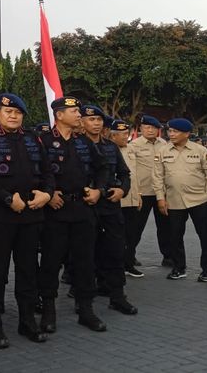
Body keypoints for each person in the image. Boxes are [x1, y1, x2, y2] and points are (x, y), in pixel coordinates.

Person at [0, 93, 53, 349]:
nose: (13, 116)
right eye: (8, 112)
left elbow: (48, 172)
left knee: (29, 270)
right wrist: (7, 199)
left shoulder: (33, 139)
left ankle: (27, 320)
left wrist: (47, 193)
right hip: (1, 217)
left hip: (32, 215)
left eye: (18, 113)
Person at [38, 96, 109, 334]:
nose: (79, 115)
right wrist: (49, 193)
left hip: (83, 209)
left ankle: (86, 308)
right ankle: (48, 309)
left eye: (79, 111)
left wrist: (99, 190)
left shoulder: (84, 142)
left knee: (85, 261)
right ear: (59, 115)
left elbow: (103, 168)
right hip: (55, 211)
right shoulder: (43, 141)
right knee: (50, 262)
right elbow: (34, 171)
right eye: (74, 111)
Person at [80, 106, 137, 316]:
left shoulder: (111, 147)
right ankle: (83, 300)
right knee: (86, 255)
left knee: (115, 252)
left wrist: (122, 190)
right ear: (81, 122)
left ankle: (117, 296)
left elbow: (124, 174)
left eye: (99, 120)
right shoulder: (76, 146)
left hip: (110, 208)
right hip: (86, 207)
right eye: (91, 119)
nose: (96, 123)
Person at [153, 118, 207, 282]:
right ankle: (179, 268)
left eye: (175, 131)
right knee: (174, 236)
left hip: (198, 200)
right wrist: (160, 199)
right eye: (170, 131)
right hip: (173, 200)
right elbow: (157, 177)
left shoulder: (201, 150)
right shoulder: (162, 151)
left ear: (186, 134)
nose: (171, 134)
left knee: (205, 236)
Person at [128, 115, 173, 266]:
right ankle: (129, 255)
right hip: (143, 192)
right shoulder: (134, 146)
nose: (150, 130)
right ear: (140, 129)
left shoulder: (164, 144)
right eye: (146, 127)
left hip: (161, 192)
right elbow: (130, 170)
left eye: (153, 128)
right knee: (135, 226)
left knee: (165, 227)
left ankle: (168, 256)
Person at [110, 120, 144, 278]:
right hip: (116, 201)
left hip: (132, 199)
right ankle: (115, 266)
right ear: (113, 136)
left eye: (127, 133)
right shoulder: (108, 150)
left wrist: (138, 195)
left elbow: (134, 176)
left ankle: (129, 263)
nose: (126, 137)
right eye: (122, 134)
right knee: (116, 237)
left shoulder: (131, 149)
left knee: (132, 234)